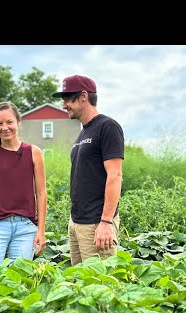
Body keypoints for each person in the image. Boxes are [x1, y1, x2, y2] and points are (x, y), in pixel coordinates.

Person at [52, 75, 124, 265]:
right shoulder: (83, 133)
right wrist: (73, 222)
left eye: (68, 99)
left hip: (96, 224)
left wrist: (106, 223)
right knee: (80, 285)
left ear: (84, 96)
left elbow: (115, 176)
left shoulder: (107, 127)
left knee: (101, 285)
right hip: (77, 222)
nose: (64, 105)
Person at [0, 101, 47, 265]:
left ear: (18, 123)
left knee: (20, 280)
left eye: (9, 122)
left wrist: (41, 231)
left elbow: (41, 193)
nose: (5, 127)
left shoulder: (34, 152)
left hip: (25, 228)